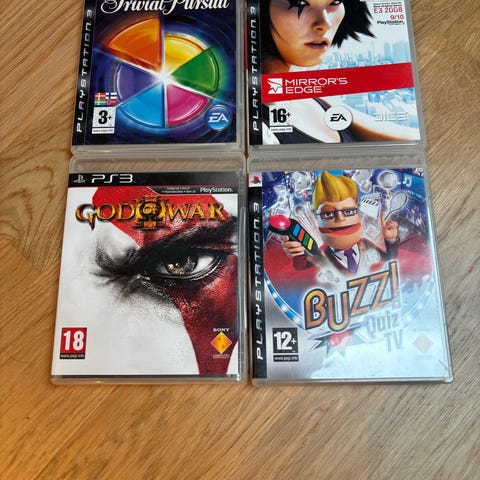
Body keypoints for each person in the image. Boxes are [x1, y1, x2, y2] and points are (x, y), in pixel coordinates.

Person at [260, 0, 419, 142]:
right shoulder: (255, 125)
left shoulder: (313, 94)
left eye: (335, 1)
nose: (326, 23)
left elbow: (412, 142)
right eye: (299, 3)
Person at [281, 171, 399, 273]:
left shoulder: (364, 243)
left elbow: (389, 258)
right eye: (328, 214)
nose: (340, 219)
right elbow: (300, 266)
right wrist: (298, 251)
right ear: (317, 219)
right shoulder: (320, 252)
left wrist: (391, 240)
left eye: (348, 212)